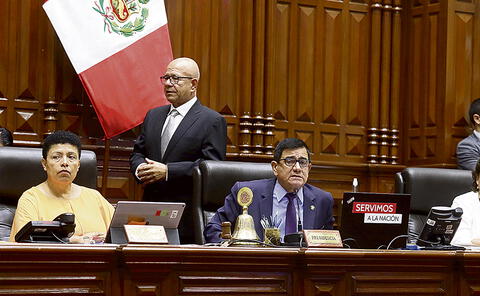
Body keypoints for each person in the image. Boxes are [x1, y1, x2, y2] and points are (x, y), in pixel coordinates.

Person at [130, 57, 226, 244]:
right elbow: (138, 152)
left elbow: (211, 167)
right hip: (150, 211)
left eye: (175, 78)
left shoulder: (211, 120)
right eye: (165, 78)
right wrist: (139, 168)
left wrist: (168, 171)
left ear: (193, 84)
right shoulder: (153, 115)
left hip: (185, 215)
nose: (167, 83)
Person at [204, 138, 334, 243]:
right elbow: (214, 229)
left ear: (309, 168)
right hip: (256, 268)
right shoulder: (246, 193)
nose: (298, 168)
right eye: (290, 161)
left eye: (303, 162)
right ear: (275, 167)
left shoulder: (322, 200)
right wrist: (234, 252)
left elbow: (329, 244)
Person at [9, 131, 114, 243]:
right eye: (56, 157)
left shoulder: (94, 197)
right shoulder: (31, 199)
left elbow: (120, 231)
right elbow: (24, 243)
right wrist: (75, 240)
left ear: (78, 165)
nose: (65, 163)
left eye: (71, 157)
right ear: (44, 164)